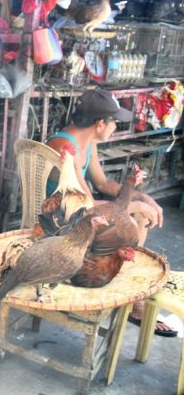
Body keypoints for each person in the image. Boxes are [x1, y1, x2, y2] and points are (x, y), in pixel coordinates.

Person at [46, 88, 174, 336]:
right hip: (64, 221)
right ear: (100, 123)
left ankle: (119, 282)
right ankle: (132, 300)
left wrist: (141, 196)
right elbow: (87, 204)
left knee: (138, 215)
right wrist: (135, 206)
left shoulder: (87, 142)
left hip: (82, 214)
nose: (116, 127)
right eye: (114, 122)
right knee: (134, 218)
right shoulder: (65, 145)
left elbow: (103, 184)